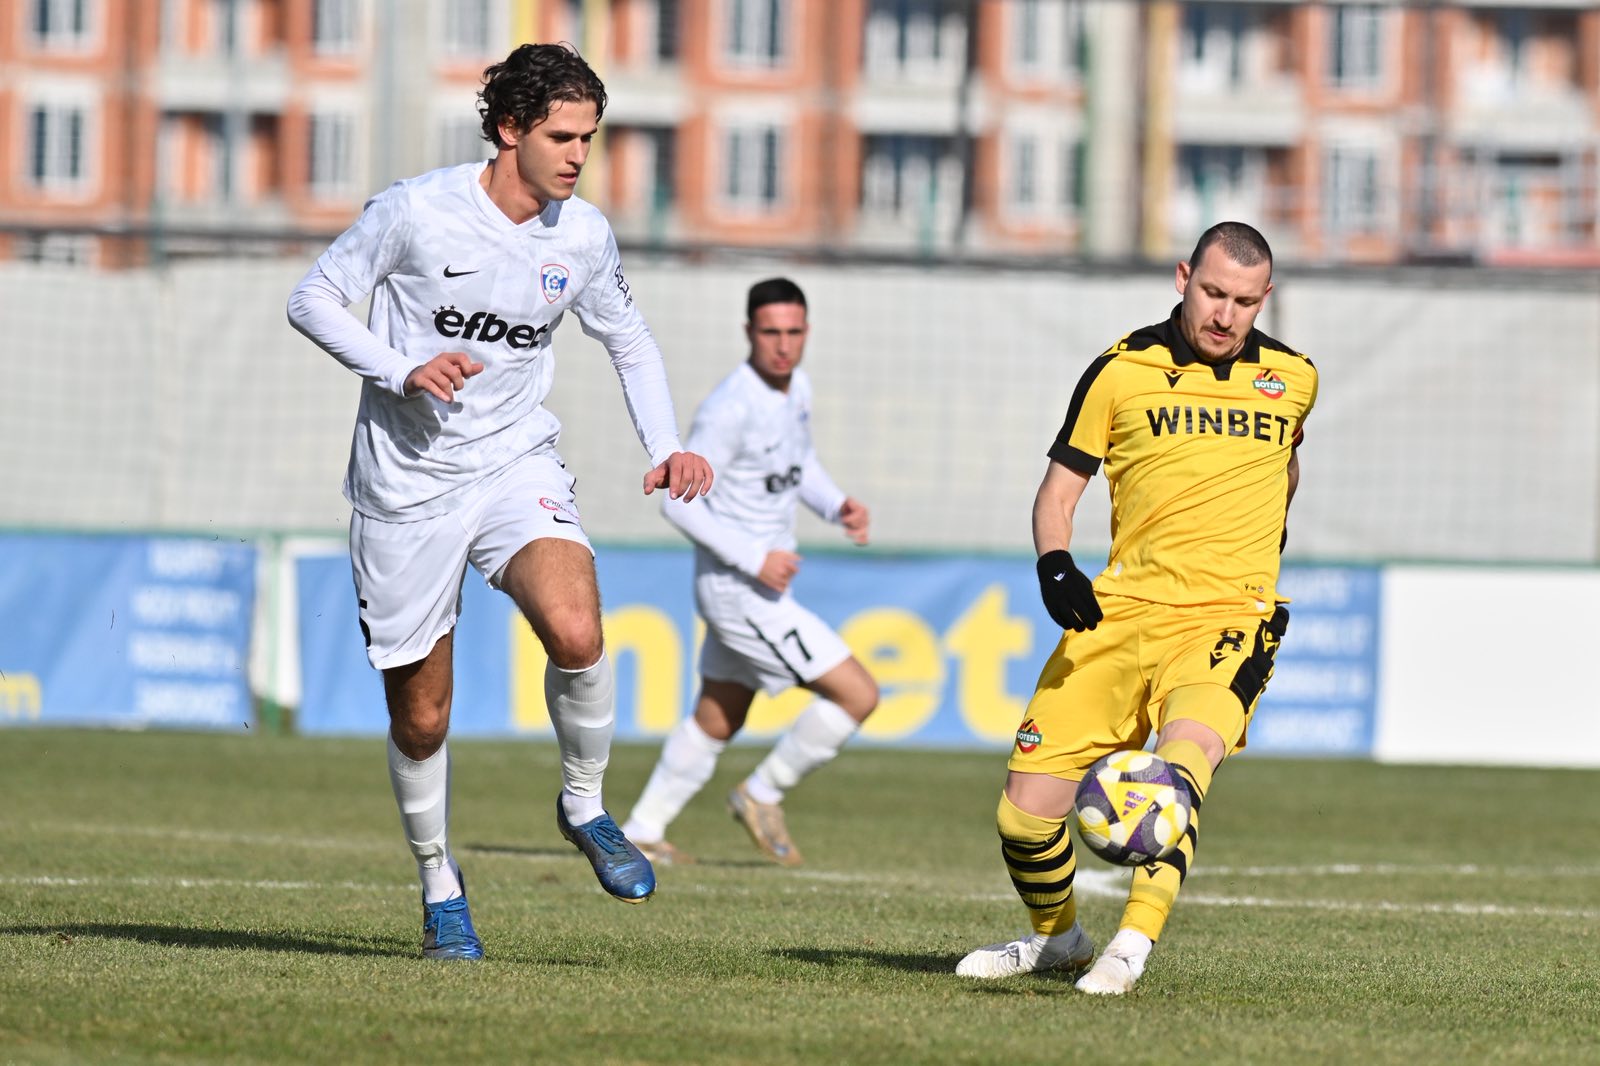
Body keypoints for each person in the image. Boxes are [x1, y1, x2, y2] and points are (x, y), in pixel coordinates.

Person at [285, 43, 713, 961]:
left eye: (588, 138)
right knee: (423, 718)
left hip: (515, 461)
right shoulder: (416, 211)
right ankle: (440, 883)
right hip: (406, 486)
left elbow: (630, 341)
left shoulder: (582, 236)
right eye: (562, 137)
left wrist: (666, 446)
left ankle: (584, 805)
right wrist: (401, 368)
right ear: (510, 129)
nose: (578, 156)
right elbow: (313, 299)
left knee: (578, 630)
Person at [956, 222, 1317, 994]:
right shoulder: (1119, 371)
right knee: (1024, 815)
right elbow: (1059, 492)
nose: (1224, 314)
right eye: (1212, 293)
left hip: (1227, 617)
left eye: (1244, 302)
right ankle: (1058, 941)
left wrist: (1262, 547)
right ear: (1184, 277)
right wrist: (1056, 564)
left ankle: (1130, 946)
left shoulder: (1294, 378)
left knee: (1177, 773)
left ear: (1265, 299)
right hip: (1119, 613)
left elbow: (1284, 470)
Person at [620, 278, 879, 867]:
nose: (783, 346)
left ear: (806, 332)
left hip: (753, 588)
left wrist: (836, 505)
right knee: (857, 694)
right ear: (749, 333)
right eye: (770, 333)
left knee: (719, 713)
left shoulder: (796, 388)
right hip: (740, 590)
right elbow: (677, 502)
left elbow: (799, 463)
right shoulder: (729, 409)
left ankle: (642, 829)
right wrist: (754, 558)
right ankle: (762, 793)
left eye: (793, 332)